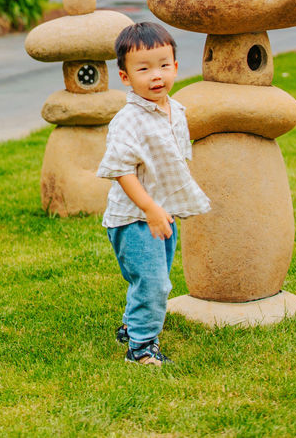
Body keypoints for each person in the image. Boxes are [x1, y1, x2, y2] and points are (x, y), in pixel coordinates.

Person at [97, 21, 211, 366]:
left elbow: (177, 158)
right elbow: (120, 169)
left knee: (155, 277)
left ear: (176, 67)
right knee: (154, 282)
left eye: (163, 65)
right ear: (125, 77)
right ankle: (142, 347)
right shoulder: (128, 120)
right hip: (135, 218)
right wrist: (149, 207)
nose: (156, 75)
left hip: (162, 213)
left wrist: (170, 204)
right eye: (143, 69)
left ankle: (133, 326)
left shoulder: (177, 111)